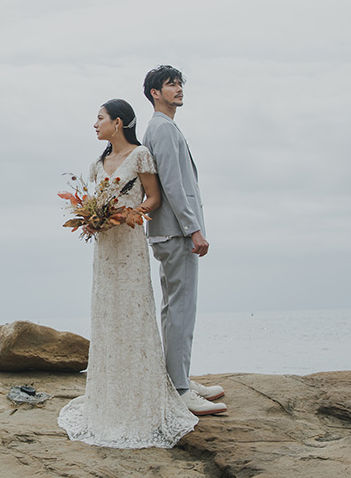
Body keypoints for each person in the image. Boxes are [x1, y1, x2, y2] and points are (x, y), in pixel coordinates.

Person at [57, 98, 198, 449]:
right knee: (107, 315)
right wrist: (94, 217)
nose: (95, 124)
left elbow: (155, 198)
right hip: (105, 248)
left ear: (117, 123)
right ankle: (108, 398)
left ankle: (142, 401)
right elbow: (91, 200)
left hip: (131, 245)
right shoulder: (96, 164)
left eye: (100, 118)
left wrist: (133, 212)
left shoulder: (141, 156)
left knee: (134, 314)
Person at [142, 65, 227, 416]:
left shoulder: (165, 127)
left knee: (173, 308)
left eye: (179, 83)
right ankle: (179, 389)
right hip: (176, 231)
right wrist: (194, 229)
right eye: (170, 84)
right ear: (154, 93)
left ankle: (178, 377)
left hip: (170, 230)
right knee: (181, 310)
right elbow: (173, 184)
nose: (178, 88)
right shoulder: (161, 128)